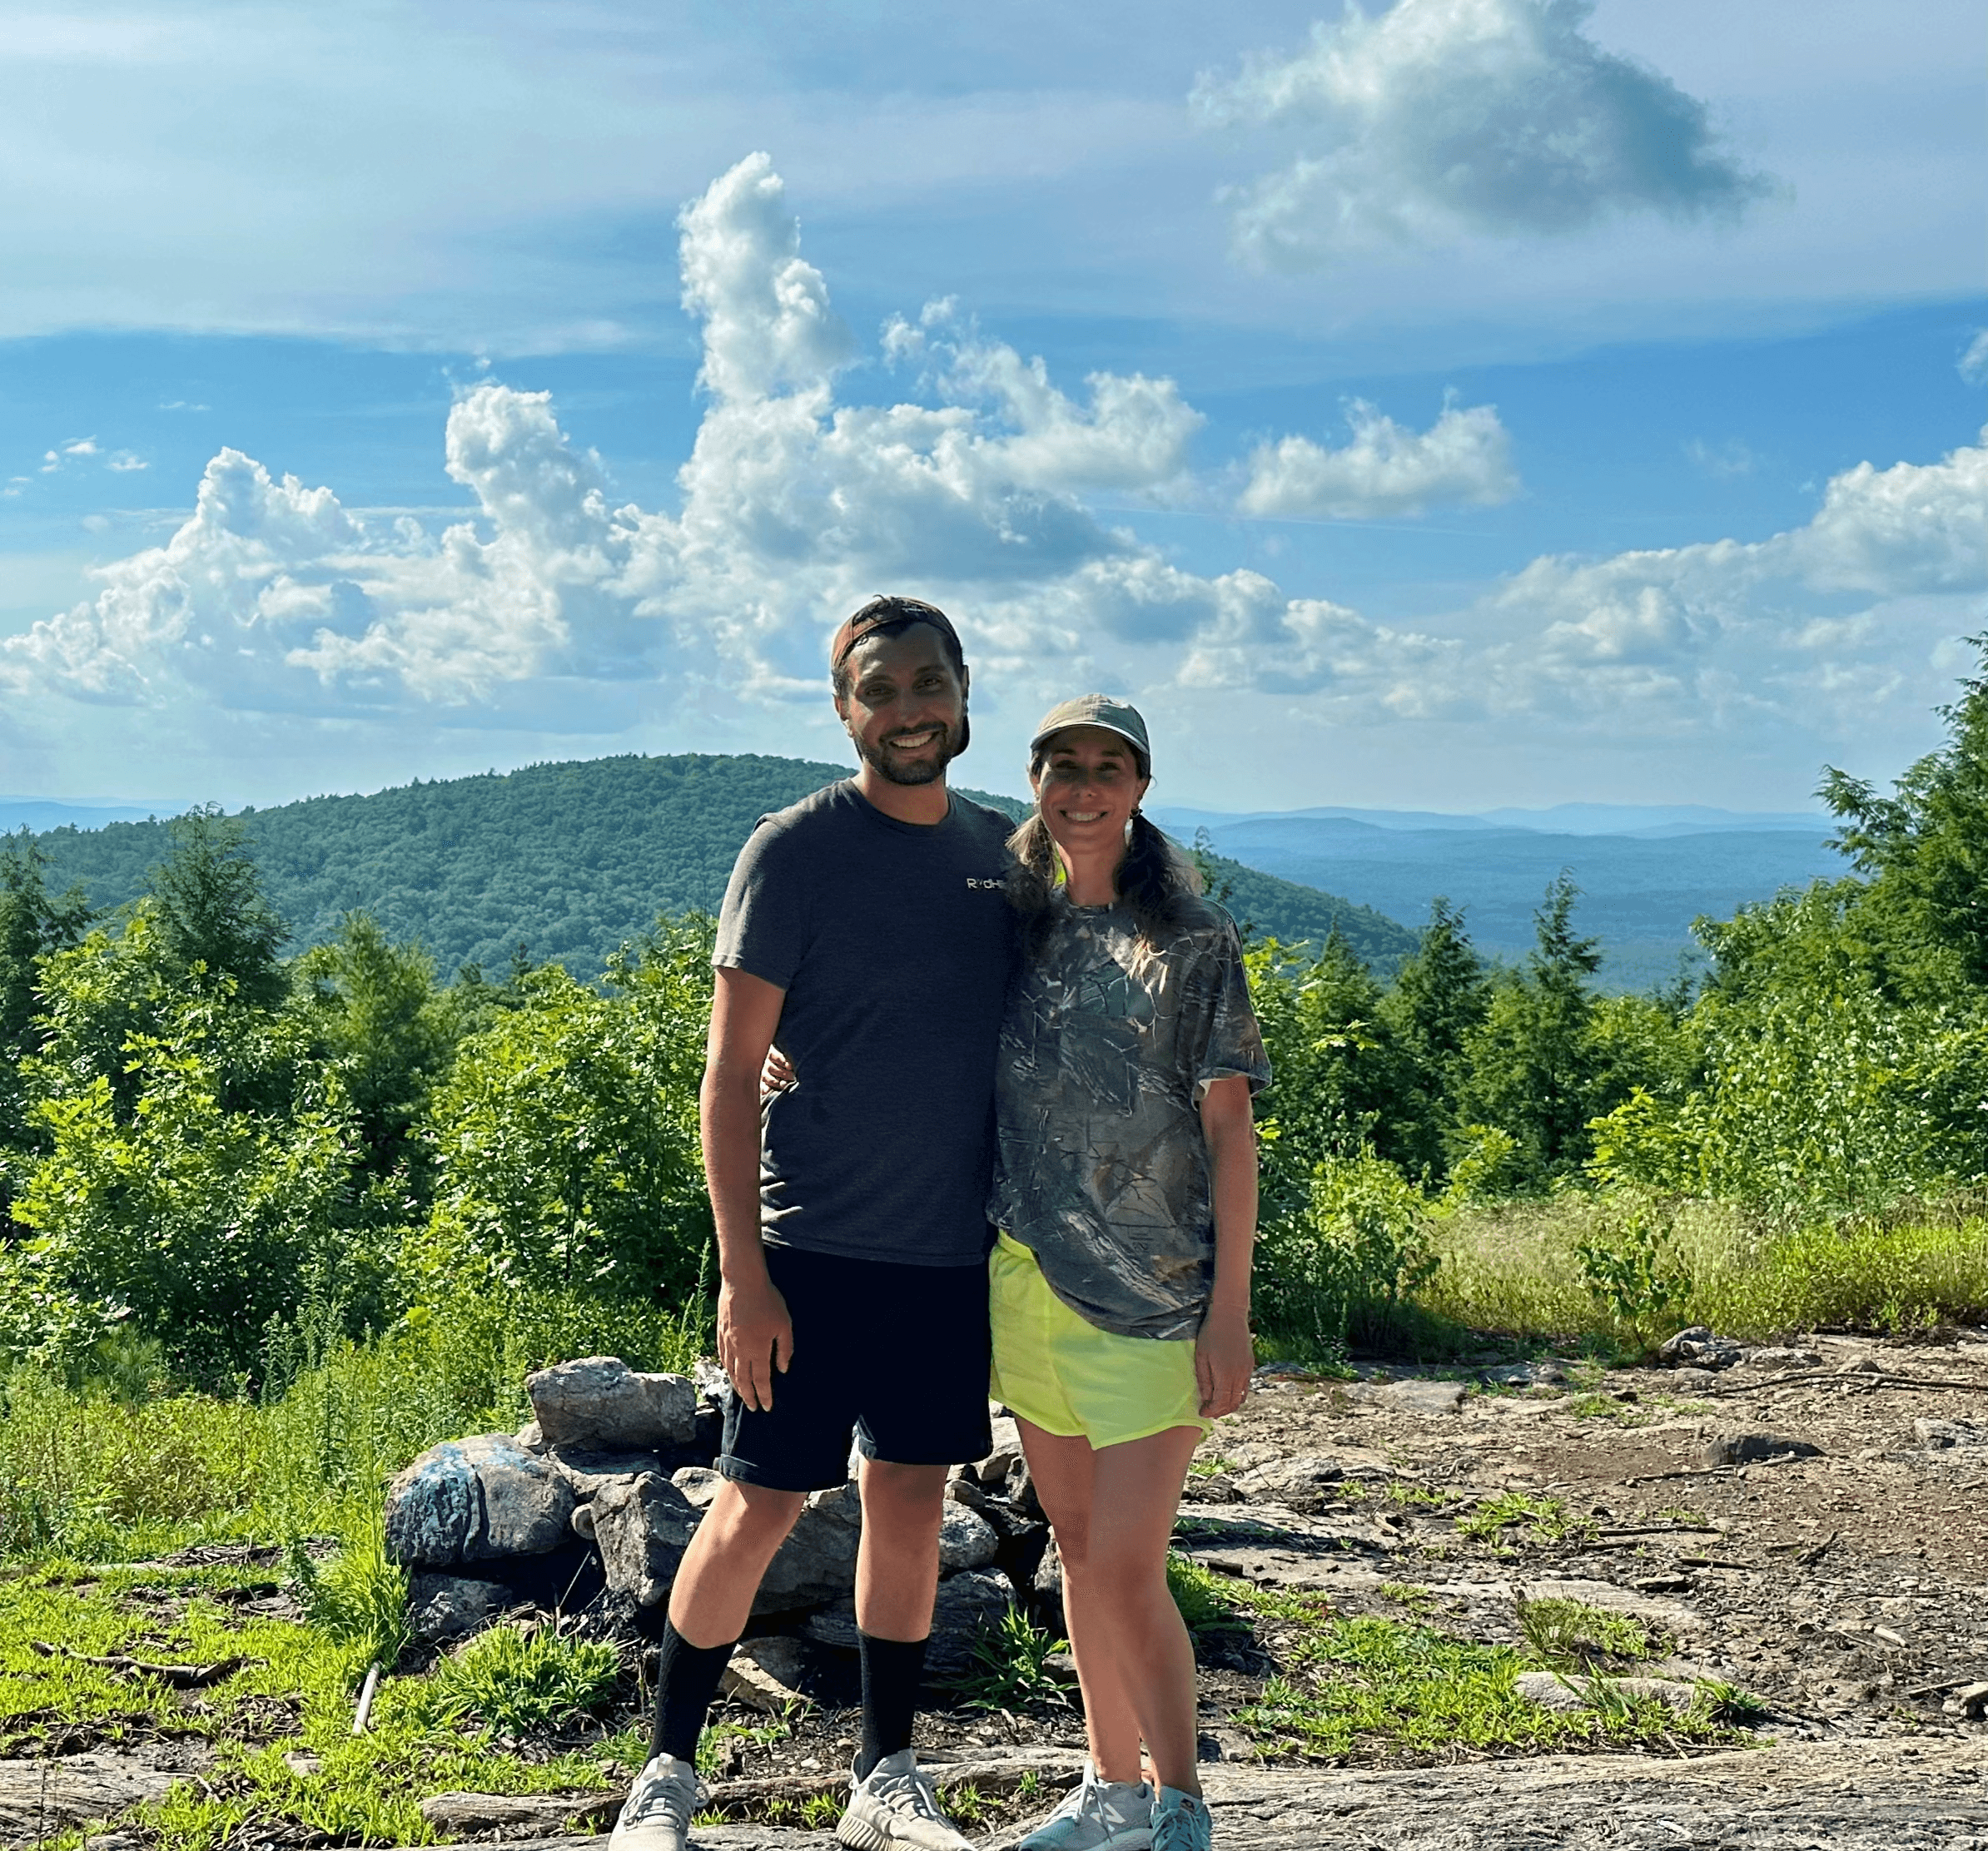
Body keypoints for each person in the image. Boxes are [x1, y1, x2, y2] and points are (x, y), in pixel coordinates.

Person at [611, 596, 1016, 1851]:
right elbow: (729, 1076)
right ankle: (666, 1777)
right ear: (845, 710)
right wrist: (745, 1279)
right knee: (758, 1502)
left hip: (950, 1255)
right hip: (811, 1253)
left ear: (963, 695)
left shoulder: (1004, 859)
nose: (908, 710)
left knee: (908, 1499)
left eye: (927, 685)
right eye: (880, 689)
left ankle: (884, 1778)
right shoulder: (792, 851)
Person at [989, 697, 1269, 1851]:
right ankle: (1110, 1793)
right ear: (1037, 782)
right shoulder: (1007, 924)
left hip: (1157, 1298)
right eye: (1064, 766)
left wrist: (1230, 1316)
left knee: (1124, 1568)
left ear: (1142, 787)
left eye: (1109, 767)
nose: (1085, 787)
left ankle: (1184, 1801)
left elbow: (1231, 1136)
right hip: (1025, 1279)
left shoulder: (1192, 941)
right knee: (1075, 1550)